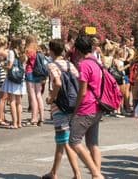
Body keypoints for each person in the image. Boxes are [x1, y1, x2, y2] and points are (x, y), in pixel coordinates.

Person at [42, 39, 82, 179]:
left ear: (51, 50)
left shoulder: (52, 65)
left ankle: (77, 174)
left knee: (65, 141)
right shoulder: (70, 64)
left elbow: (57, 83)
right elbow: (80, 80)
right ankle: (53, 172)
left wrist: (51, 98)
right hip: (73, 104)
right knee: (61, 140)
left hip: (60, 106)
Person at [69, 35, 105, 179]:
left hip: (87, 107)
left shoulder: (84, 65)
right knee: (93, 143)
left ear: (77, 50)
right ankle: (97, 174)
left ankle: (96, 174)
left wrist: (75, 110)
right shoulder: (97, 62)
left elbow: (82, 91)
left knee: (74, 140)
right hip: (98, 106)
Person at [2, 38, 26, 129]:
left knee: (12, 100)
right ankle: (19, 122)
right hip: (20, 78)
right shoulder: (23, 53)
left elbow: (10, 66)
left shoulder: (12, 52)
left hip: (12, 78)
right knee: (19, 101)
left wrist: (2, 65)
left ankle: (14, 123)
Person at [24, 35, 45, 126]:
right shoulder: (39, 49)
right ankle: (42, 117)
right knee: (38, 95)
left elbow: (24, 61)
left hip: (30, 73)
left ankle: (34, 118)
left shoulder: (28, 50)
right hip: (38, 74)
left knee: (32, 96)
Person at [0, 35, 11, 126]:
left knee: (1, 98)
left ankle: (1, 117)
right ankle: (1, 118)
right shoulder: (4, 52)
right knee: (3, 98)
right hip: (3, 74)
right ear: (5, 43)